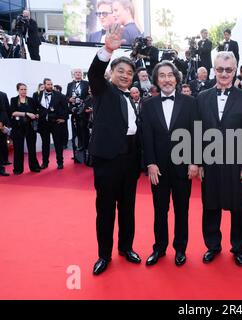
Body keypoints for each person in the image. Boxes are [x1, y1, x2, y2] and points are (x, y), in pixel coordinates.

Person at [88, 23, 142, 275]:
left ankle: (126, 248)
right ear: (112, 72)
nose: (125, 76)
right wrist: (107, 50)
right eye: (120, 71)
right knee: (106, 210)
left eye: (129, 73)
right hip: (108, 161)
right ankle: (104, 255)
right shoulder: (103, 90)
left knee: (128, 208)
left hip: (129, 161)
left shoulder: (131, 99)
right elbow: (94, 74)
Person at [197, 51, 242, 266]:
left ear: (235, 71)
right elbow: (196, 130)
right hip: (209, 161)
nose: (224, 73)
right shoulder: (201, 97)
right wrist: (198, 161)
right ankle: (213, 245)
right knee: (210, 205)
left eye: (228, 69)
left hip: (236, 162)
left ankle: (238, 247)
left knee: (238, 207)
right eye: (219, 69)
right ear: (214, 69)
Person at [141, 61, 199, 267]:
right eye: (162, 76)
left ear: (176, 78)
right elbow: (146, 136)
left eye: (170, 75)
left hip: (183, 166)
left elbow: (196, 134)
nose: (166, 79)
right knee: (160, 210)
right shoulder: (147, 104)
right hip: (158, 169)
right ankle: (159, 248)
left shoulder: (191, 102)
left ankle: (180, 249)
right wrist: (150, 163)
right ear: (156, 80)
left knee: (182, 210)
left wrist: (195, 161)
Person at [36, 78, 68, 170]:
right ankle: (45, 163)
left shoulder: (59, 95)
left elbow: (65, 108)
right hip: (43, 123)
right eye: (48, 84)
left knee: (58, 143)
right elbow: (35, 107)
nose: (50, 86)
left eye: (51, 84)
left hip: (56, 123)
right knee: (45, 144)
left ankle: (60, 162)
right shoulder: (37, 95)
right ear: (44, 85)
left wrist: (63, 119)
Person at [10, 83, 41, 175]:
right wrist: (27, 114)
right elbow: (13, 113)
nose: (24, 91)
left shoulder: (31, 100)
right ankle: (18, 169)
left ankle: (34, 167)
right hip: (18, 127)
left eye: (25, 89)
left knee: (32, 148)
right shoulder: (14, 100)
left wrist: (36, 115)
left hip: (30, 126)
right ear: (18, 90)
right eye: (22, 89)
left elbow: (36, 111)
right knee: (18, 148)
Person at [67, 69, 90, 163]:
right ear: (73, 74)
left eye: (80, 73)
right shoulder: (70, 84)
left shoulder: (86, 83)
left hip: (84, 111)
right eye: (76, 73)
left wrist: (83, 101)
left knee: (85, 132)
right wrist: (70, 99)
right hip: (73, 112)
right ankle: (77, 155)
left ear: (82, 74)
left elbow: (90, 95)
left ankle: (87, 154)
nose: (78, 74)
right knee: (75, 133)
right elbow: (66, 96)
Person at [0, 91, 10, 176]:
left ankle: (1, 168)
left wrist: (2, 122)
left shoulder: (2, 94)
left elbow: (5, 110)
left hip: (0, 125)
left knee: (2, 145)